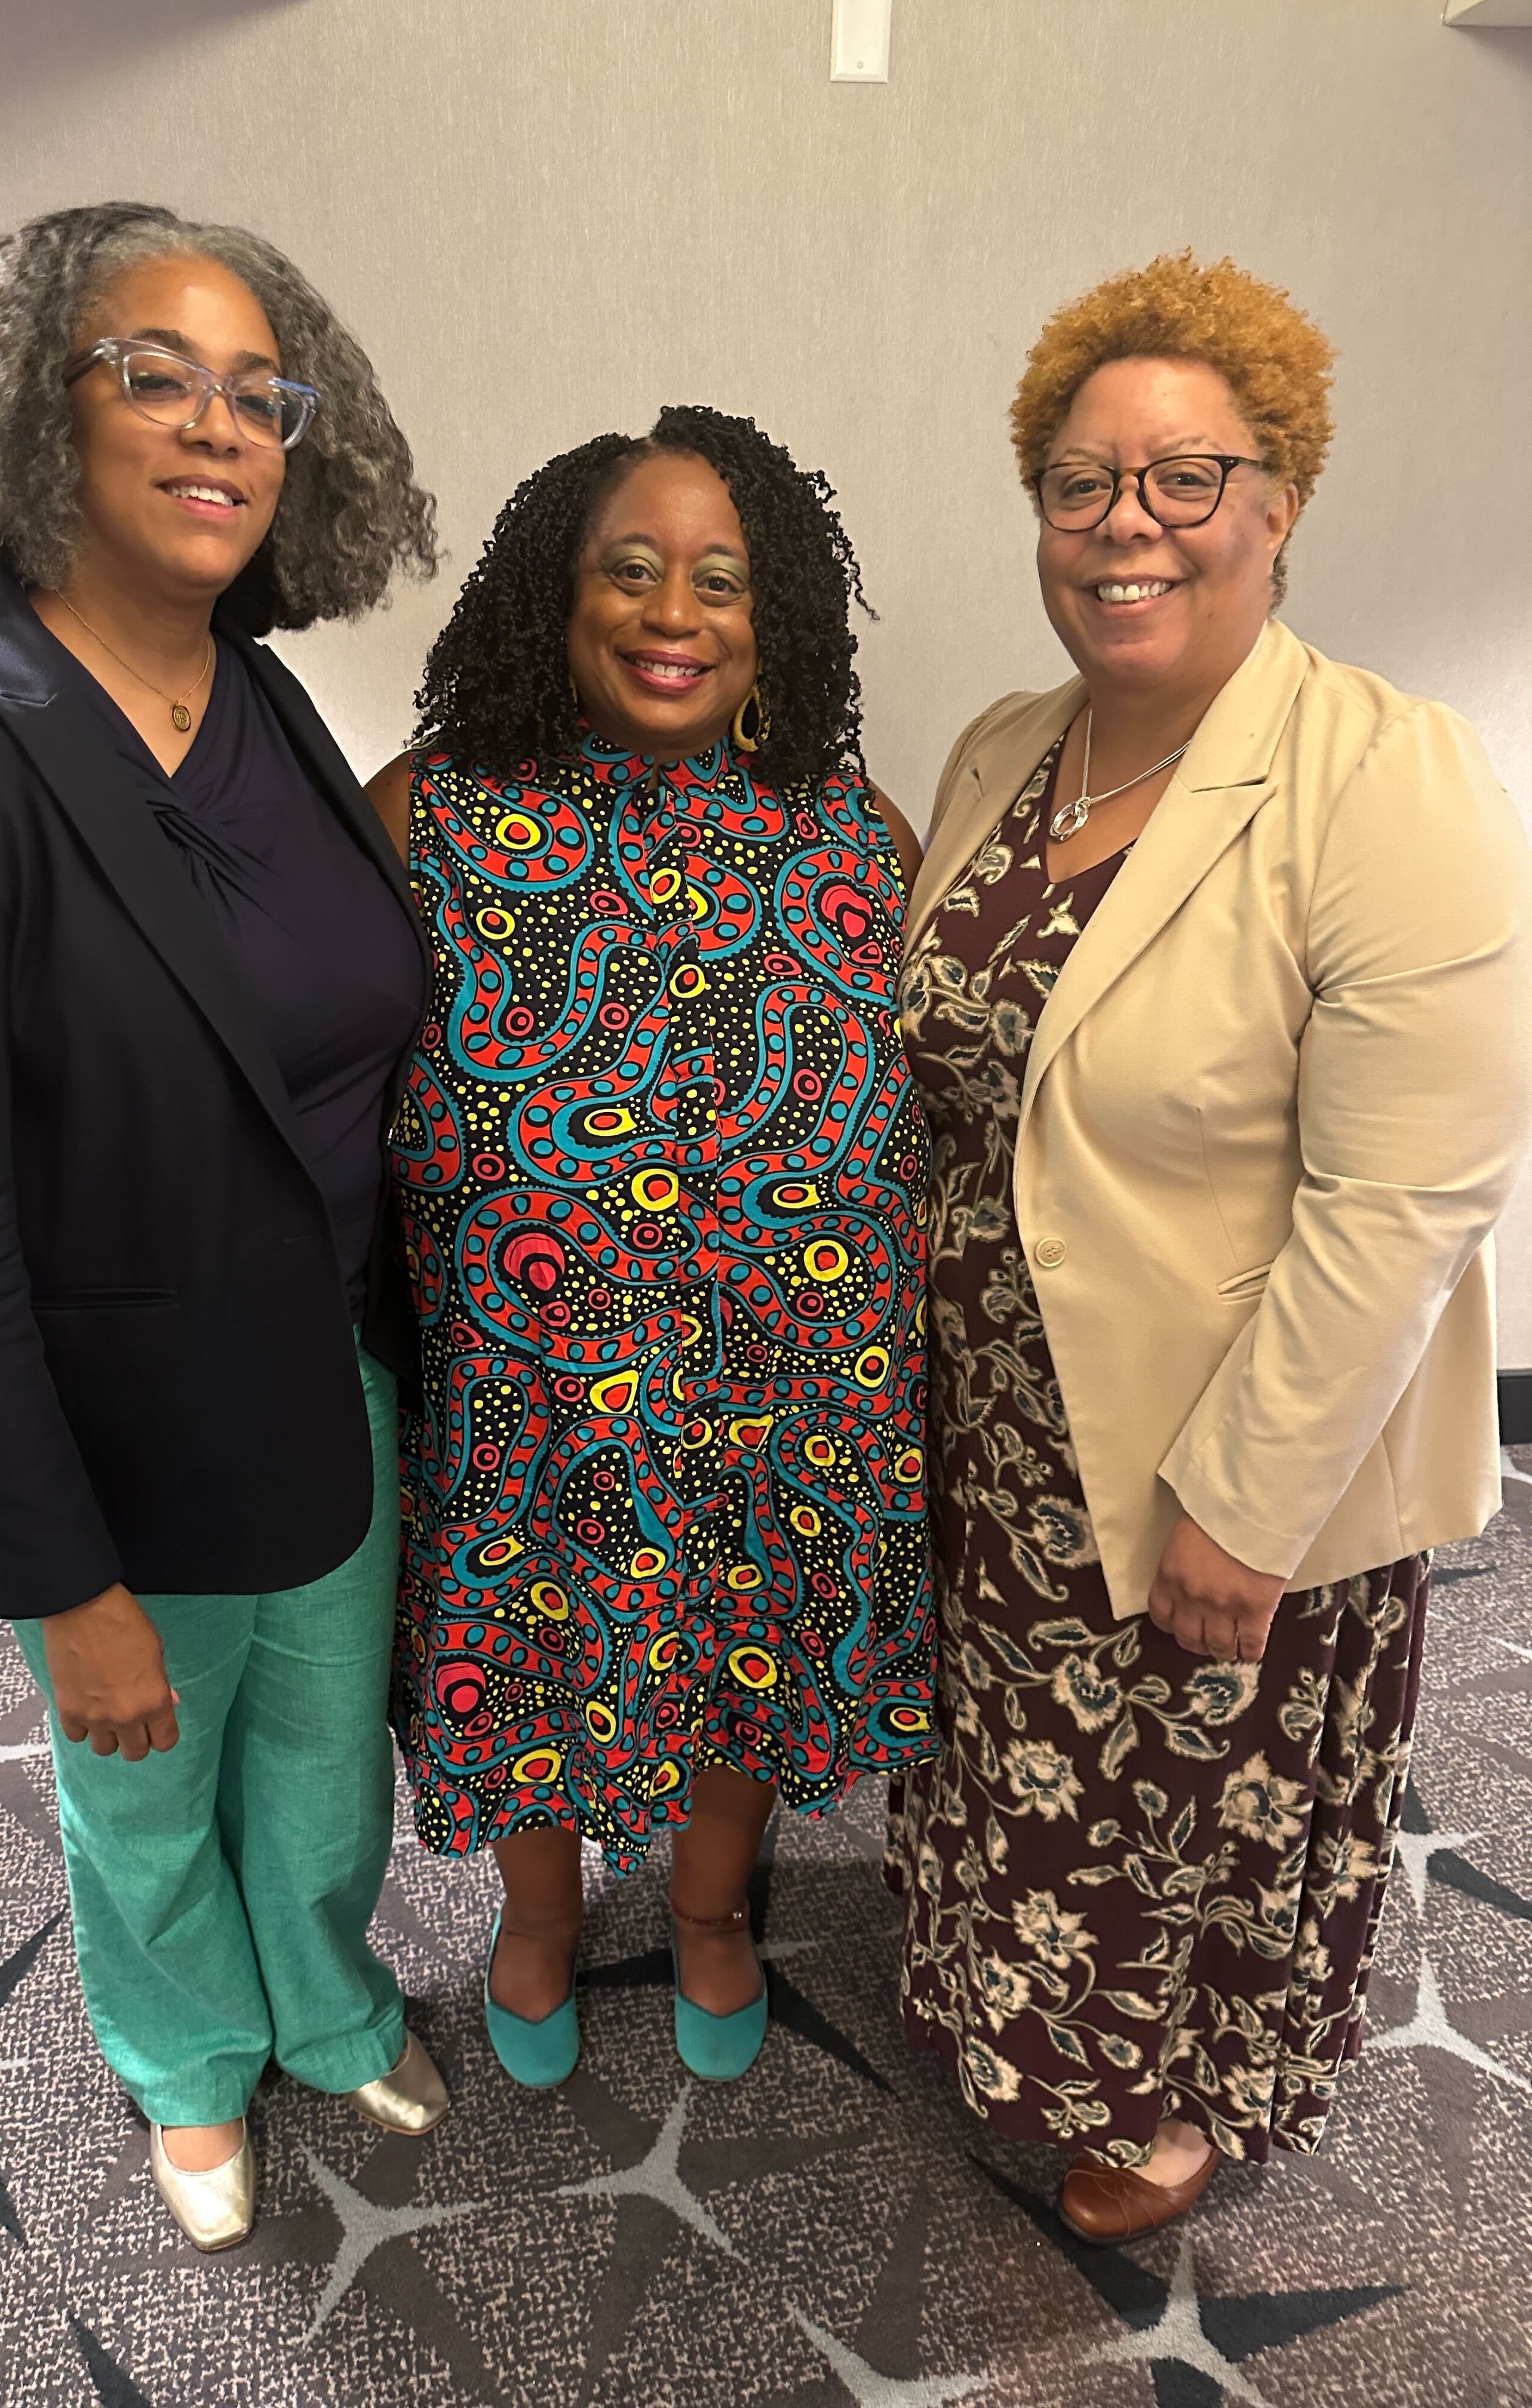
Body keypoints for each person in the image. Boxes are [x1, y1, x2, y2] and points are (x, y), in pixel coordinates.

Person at [0, 201, 446, 2252]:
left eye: (262, 392)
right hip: (122, 1429)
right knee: (145, 1781)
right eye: (153, 374)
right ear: (25, 415)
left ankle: (327, 1998)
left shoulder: (270, 708)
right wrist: (57, 1579)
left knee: (331, 1761)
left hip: (339, 1374)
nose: (219, 427)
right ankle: (184, 2064)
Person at [885, 250, 1532, 2241]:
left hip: (1226, 1437)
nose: (1127, 527)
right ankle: (1013, 2012)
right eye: (1081, 484)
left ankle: (1174, 2093)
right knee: (1015, 1753)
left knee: (1188, 1800)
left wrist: (1249, 1507)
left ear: (1281, 501)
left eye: (1187, 478)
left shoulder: (1382, 774)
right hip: (1000, 1418)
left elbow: (1405, 1200)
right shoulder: (1009, 747)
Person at [368, 406, 939, 2090]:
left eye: (720, 579)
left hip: (782, 1390)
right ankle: (536, 1922)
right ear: (555, 597)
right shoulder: (432, 821)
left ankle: (706, 1914)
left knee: (738, 1652)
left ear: (779, 624)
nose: (673, 612)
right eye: (629, 569)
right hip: (530, 1384)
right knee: (533, 1651)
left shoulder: (854, 832)